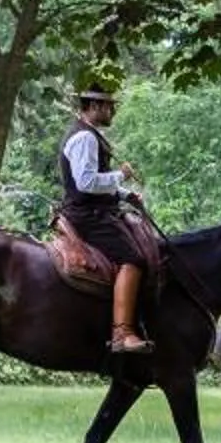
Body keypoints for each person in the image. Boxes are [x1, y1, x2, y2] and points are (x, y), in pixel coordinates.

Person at [60, 89, 159, 354]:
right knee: (133, 259)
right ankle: (122, 333)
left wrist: (126, 195)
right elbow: (86, 182)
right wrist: (121, 175)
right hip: (88, 216)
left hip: (94, 211)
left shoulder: (88, 135)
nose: (112, 112)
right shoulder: (84, 137)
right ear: (93, 105)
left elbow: (95, 182)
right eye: (108, 107)